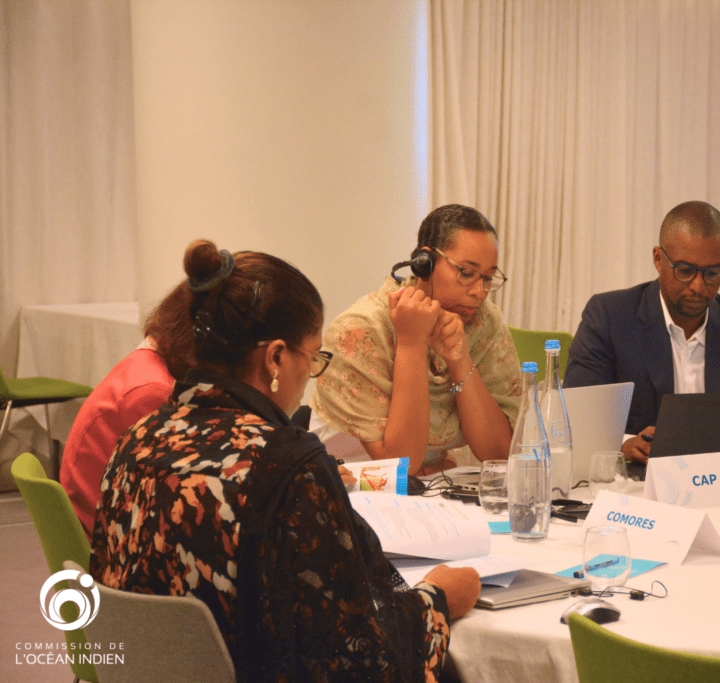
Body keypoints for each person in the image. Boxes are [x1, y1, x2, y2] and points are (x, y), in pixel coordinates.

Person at [90, 240, 481, 683]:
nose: (310, 374)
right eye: (313, 357)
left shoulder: (136, 441)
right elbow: (361, 661)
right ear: (275, 357)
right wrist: (437, 599)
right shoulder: (287, 467)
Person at [564, 201, 720, 463]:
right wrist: (624, 446)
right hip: (640, 479)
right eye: (685, 271)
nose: (698, 286)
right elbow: (577, 421)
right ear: (658, 259)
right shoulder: (609, 317)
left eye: (713, 273)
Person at [310, 204, 521, 474]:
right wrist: (411, 343)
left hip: (426, 482)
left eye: (488, 278)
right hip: (347, 478)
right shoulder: (361, 329)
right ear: (424, 263)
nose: (480, 292)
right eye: (467, 273)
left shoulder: (484, 324)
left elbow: (500, 454)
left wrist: (460, 361)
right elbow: (399, 468)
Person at [61, 279, 197, 538]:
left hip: (98, 519)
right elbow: (168, 496)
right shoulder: (153, 390)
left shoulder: (147, 364)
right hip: (105, 538)